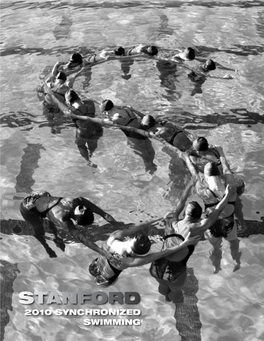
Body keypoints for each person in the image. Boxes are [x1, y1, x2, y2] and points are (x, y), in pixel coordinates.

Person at [149, 177, 236, 301]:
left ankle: (164, 297)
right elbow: (217, 210)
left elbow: (181, 202)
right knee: (176, 291)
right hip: (174, 272)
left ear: (185, 213)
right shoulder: (197, 227)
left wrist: (189, 185)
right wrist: (227, 194)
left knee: (162, 284)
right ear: (197, 218)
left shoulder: (173, 220)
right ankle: (173, 300)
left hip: (156, 265)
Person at [181, 149, 243, 273]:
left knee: (216, 247)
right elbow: (225, 166)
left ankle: (217, 267)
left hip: (212, 227)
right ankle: (237, 262)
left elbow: (193, 171)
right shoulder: (230, 187)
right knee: (234, 242)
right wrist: (221, 152)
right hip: (229, 224)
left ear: (206, 175)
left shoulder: (202, 190)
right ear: (218, 174)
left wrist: (187, 157)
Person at [89, 218, 200, 287]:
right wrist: (184, 244)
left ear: (132, 238)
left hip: (96, 264)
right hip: (107, 276)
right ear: (134, 253)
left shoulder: (115, 236)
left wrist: (160, 218)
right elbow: (163, 253)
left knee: (100, 267)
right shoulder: (127, 261)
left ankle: (95, 272)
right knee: (109, 282)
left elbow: (137, 227)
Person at [20, 191, 121, 258]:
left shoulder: (76, 203)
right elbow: (104, 214)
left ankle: (53, 232)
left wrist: (102, 251)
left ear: (76, 219)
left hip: (43, 197)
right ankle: (46, 246)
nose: (84, 207)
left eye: (83, 210)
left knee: (52, 221)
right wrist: (118, 226)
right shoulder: (75, 204)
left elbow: (83, 239)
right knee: (38, 228)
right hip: (28, 207)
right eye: (85, 208)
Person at [100, 99, 157, 173]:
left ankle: (149, 167)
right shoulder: (127, 109)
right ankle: (152, 163)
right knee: (148, 147)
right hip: (141, 130)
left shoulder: (116, 117)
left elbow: (105, 123)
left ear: (106, 111)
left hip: (133, 136)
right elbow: (117, 108)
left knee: (142, 152)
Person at [65, 89, 103, 167]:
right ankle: (91, 153)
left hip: (83, 131)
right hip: (95, 128)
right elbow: (84, 98)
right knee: (93, 142)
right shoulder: (90, 102)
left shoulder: (72, 109)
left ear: (68, 101)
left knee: (81, 145)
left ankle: (88, 160)